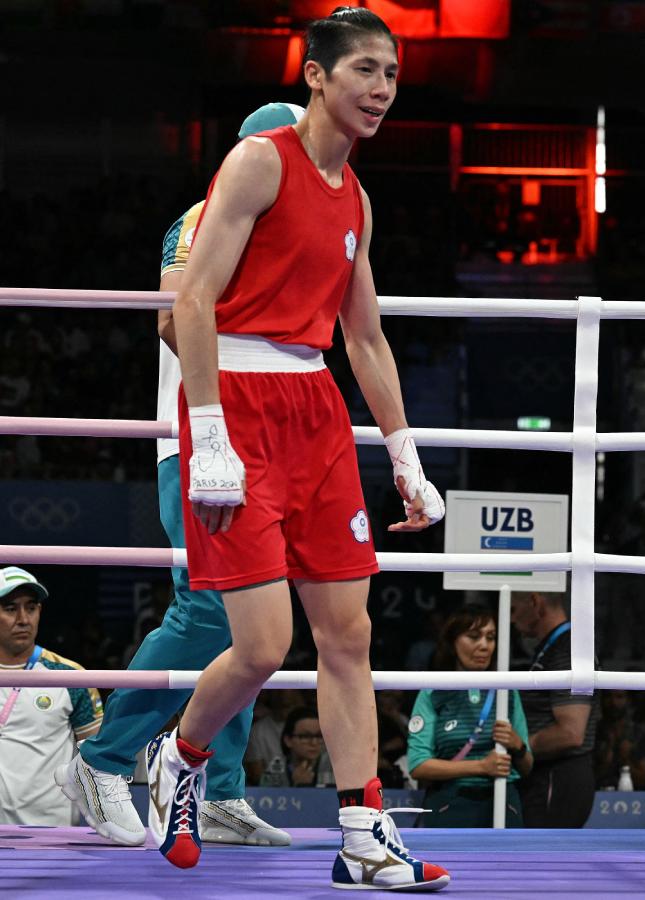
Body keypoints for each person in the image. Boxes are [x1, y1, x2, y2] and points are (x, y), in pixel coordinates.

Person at [147, 8, 449, 890]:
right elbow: (192, 305)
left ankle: (363, 834)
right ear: (316, 76)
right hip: (233, 397)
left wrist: (404, 453)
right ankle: (182, 753)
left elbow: (365, 339)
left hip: (314, 407)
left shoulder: (355, 196)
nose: (382, 89)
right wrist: (208, 432)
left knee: (348, 635)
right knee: (262, 645)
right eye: (364, 70)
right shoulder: (256, 161)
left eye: (391, 74)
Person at [55, 102, 302, 852]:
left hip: (268, 444)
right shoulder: (205, 215)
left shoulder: (296, 226)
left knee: (253, 625)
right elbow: (173, 315)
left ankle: (216, 791)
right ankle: (103, 757)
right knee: (204, 612)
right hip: (202, 439)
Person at [407, 604, 532, 826]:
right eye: (473, 637)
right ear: (453, 641)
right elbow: (418, 765)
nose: (484, 645)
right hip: (449, 805)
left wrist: (517, 745)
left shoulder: (508, 690)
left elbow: (527, 765)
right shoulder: (432, 692)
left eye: (491, 637)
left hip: (504, 803)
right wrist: (481, 767)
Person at [0, 567, 104, 825]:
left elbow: (98, 764)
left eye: (31, 607)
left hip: (52, 836)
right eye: (11, 609)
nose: (23, 619)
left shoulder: (69, 676)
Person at [510, 590, 599, 827]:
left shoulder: (568, 648)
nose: (511, 619)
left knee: (542, 859)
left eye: (513, 610)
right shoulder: (553, 648)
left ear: (535, 602)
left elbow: (571, 733)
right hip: (546, 776)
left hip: (558, 777)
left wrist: (519, 748)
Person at [258, 706, 336, 788]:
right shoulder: (275, 769)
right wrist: (298, 787)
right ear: (288, 740)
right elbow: (268, 798)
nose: (314, 742)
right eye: (305, 736)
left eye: (319, 736)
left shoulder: (334, 766)